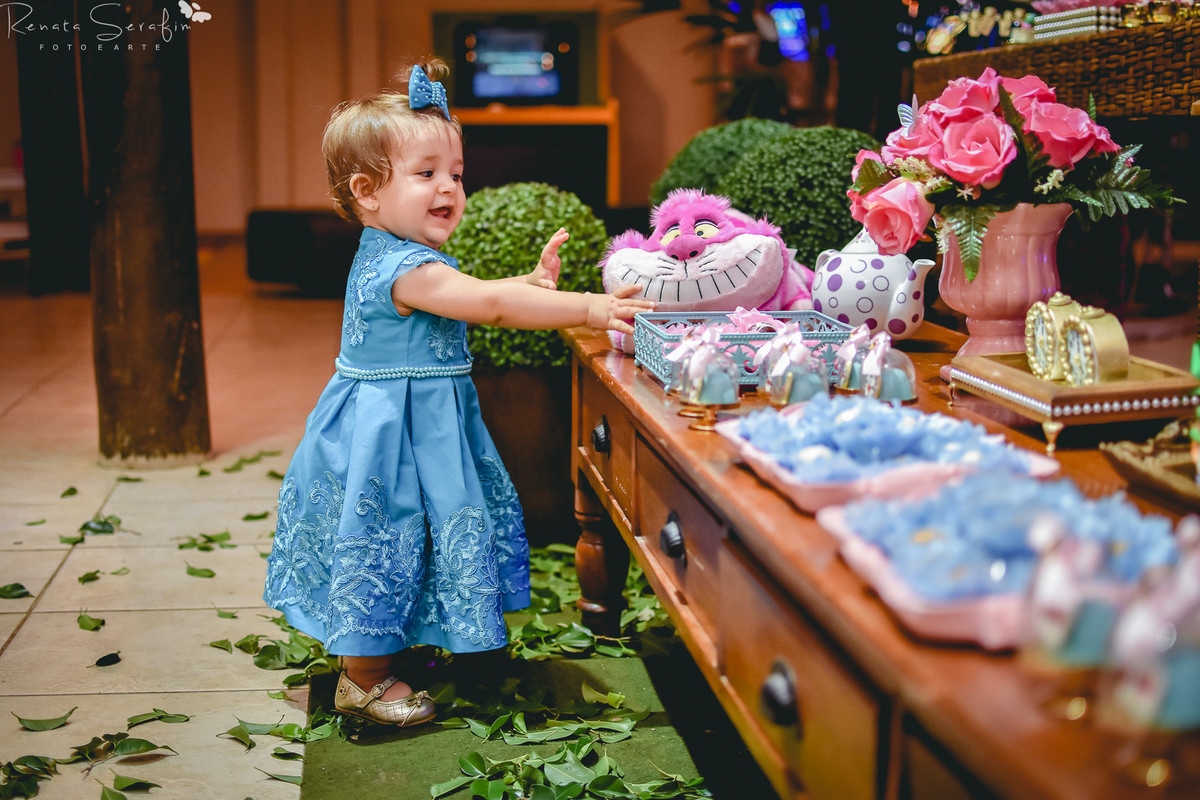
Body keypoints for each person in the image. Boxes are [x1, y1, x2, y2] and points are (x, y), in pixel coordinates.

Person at [262, 60, 654, 727]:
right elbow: (485, 306)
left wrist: (530, 284)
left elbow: (475, 298)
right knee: (386, 535)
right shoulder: (403, 267)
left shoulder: (405, 255)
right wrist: (588, 308)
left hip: (422, 428)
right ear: (367, 193)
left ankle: (400, 643)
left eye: (457, 173)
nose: (450, 188)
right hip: (393, 439)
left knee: (421, 536)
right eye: (426, 174)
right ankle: (362, 681)